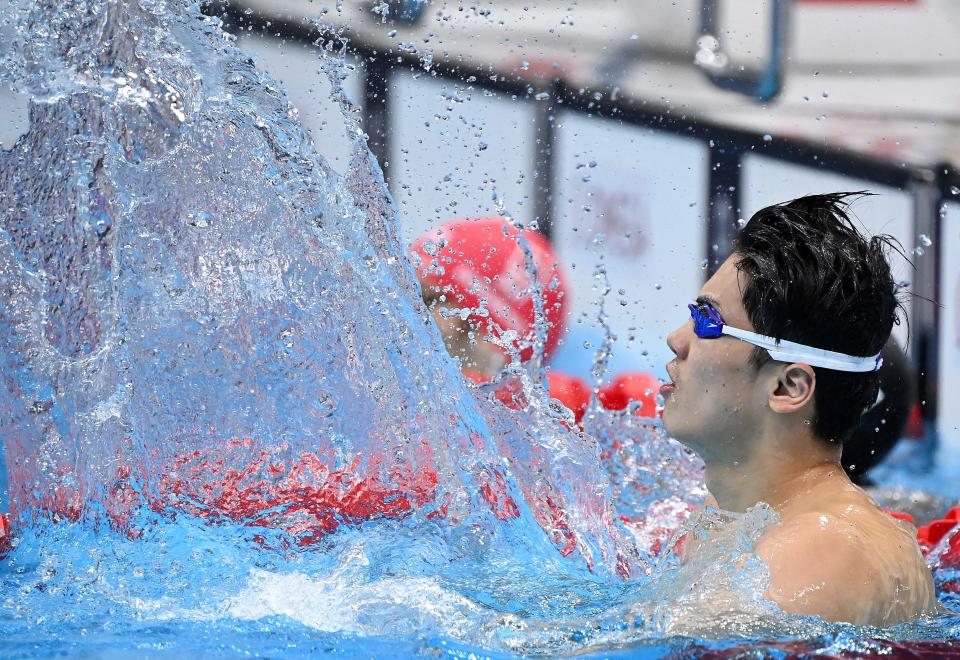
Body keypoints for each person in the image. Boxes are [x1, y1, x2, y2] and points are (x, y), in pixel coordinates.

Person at [660, 193, 937, 626]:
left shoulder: (822, 552)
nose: (677, 339)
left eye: (708, 322)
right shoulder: (737, 518)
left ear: (789, 387)